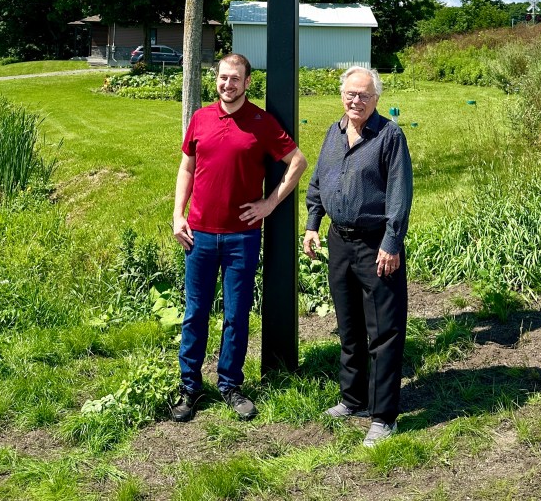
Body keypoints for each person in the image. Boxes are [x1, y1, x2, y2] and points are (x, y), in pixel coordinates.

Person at [171, 53, 307, 422]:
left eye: (235, 78)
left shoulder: (261, 122)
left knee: (236, 315)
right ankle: (190, 387)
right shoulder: (200, 118)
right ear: (216, 79)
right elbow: (187, 167)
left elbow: (298, 161)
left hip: (241, 238)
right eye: (223, 77)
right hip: (198, 235)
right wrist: (178, 214)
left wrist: (269, 203)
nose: (227, 84)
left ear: (247, 82)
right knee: (195, 314)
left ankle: (230, 385)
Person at [303, 65, 412, 447]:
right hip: (339, 242)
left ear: (376, 99)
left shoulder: (389, 136)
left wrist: (392, 243)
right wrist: (313, 224)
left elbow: (399, 193)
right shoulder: (333, 134)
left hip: (376, 245)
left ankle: (383, 417)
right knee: (349, 326)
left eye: (364, 95)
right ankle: (353, 400)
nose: (356, 101)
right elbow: (319, 181)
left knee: (383, 332)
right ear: (342, 95)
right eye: (351, 94)